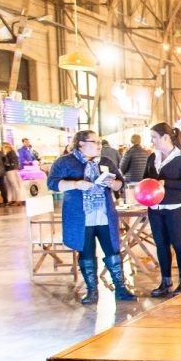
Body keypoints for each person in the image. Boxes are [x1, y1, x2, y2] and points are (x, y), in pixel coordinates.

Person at [46, 130, 136, 304]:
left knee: (113, 250)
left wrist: (114, 183)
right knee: (86, 252)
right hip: (81, 217)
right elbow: (52, 184)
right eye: (95, 142)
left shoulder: (106, 161)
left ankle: (120, 288)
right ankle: (92, 291)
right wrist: (75, 184)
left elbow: (120, 183)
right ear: (81, 143)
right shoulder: (64, 162)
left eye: (100, 142)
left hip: (104, 214)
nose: (99, 145)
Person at [143, 122, 181, 298]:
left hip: (177, 209)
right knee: (161, 245)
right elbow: (145, 179)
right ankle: (165, 282)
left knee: (179, 245)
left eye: (154, 137)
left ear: (166, 137)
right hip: (155, 209)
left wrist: (166, 183)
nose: (152, 140)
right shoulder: (152, 158)